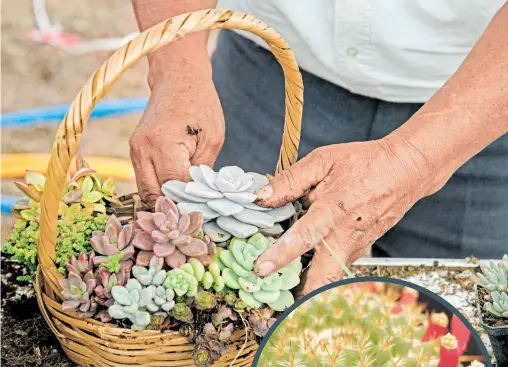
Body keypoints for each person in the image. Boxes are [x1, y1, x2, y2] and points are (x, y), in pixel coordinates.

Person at [130, 1, 508, 295]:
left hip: (480, 107)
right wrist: (176, 67)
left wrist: (416, 158)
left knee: (458, 330)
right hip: (267, 80)